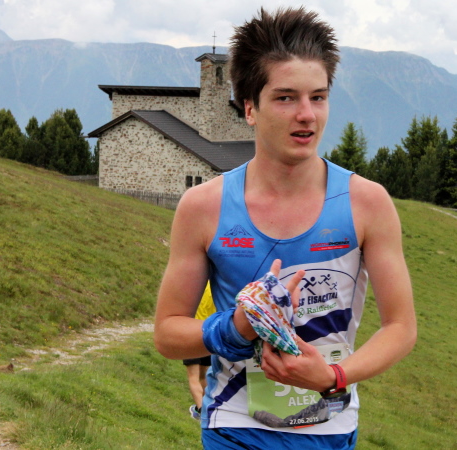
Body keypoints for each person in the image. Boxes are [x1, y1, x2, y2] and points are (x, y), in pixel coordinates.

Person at [154, 6, 416, 449]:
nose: (307, 114)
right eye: (286, 98)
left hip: (329, 427)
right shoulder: (204, 206)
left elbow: (401, 328)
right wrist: (235, 329)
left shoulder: (367, 203)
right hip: (234, 424)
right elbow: (167, 334)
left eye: (318, 97)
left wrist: (332, 375)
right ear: (249, 108)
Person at [183, 282, 216, 420]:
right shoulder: (215, 287)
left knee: (193, 377)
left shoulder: (195, 286)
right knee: (204, 375)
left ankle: (201, 411)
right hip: (209, 334)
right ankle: (207, 407)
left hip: (191, 333)